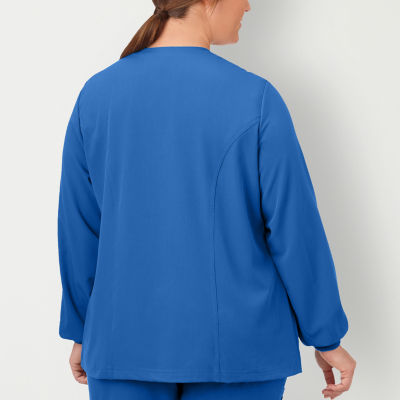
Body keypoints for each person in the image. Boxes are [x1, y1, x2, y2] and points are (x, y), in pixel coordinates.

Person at [57, 0, 357, 399]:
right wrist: (325, 335)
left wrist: (82, 329)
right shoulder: (256, 97)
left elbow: (79, 229)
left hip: (122, 341)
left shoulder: (96, 96)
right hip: (239, 346)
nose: (247, 6)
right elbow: (294, 228)